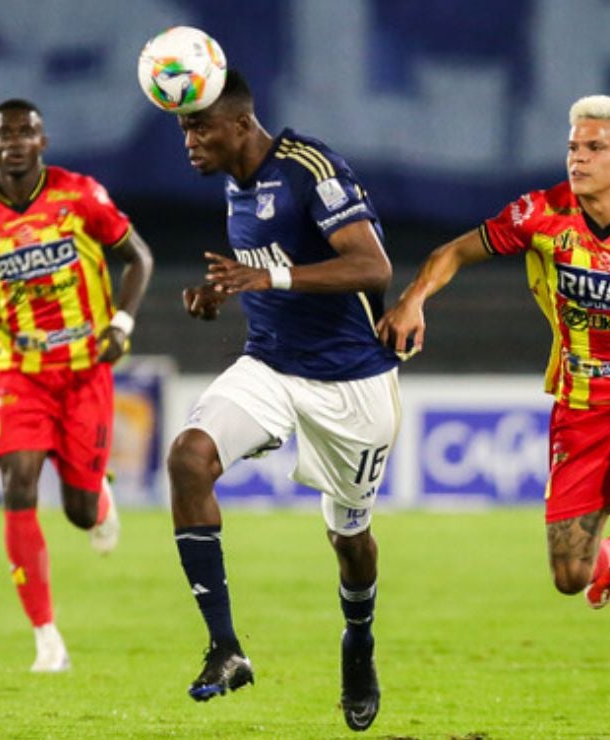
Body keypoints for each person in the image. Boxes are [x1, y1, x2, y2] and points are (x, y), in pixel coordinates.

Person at [378, 95, 610, 737]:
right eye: (573, 146)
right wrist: (413, 297)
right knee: (571, 577)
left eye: (594, 148)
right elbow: (455, 251)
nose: (578, 158)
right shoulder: (540, 214)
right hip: (581, 410)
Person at [167, 70, 400, 732]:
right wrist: (222, 293)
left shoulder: (309, 169)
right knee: (188, 458)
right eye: (183, 128)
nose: (189, 141)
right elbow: (269, 269)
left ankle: (359, 639)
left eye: (200, 127)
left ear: (241, 124)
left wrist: (266, 276)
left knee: (349, 539)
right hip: (269, 365)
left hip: (350, 383)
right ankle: (226, 648)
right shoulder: (235, 185)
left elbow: (373, 266)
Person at [0, 99, 154, 672]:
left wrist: (122, 323)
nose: (16, 141)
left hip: (85, 370)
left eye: (27, 132)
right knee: (17, 484)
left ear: (42, 143)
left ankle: (98, 498)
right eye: (5, 133)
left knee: (79, 511)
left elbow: (138, 258)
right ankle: (46, 637)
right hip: (21, 371)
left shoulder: (81, 196)